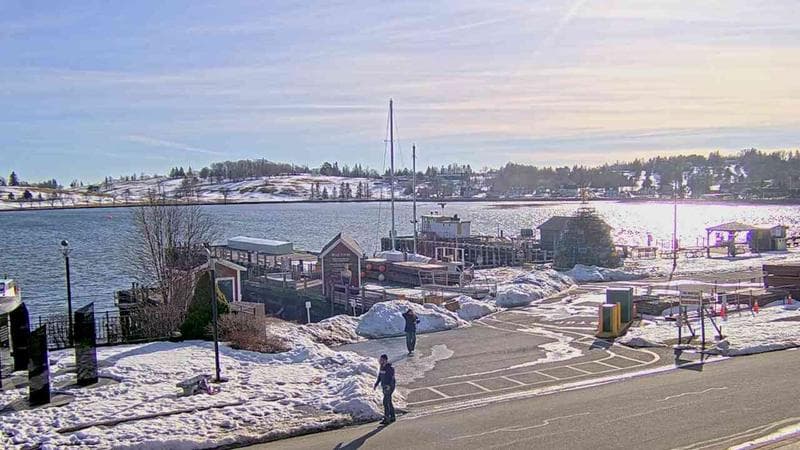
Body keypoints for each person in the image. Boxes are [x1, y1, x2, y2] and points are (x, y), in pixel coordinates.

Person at [373, 354, 396, 424]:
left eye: (382, 360)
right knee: (388, 401)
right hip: (384, 386)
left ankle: (387, 419)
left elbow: (391, 378)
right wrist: (376, 384)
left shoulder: (390, 368)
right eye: (380, 360)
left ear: (385, 360)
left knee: (385, 402)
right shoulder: (381, 367)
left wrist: (388, 386)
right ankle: (392, 417)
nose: (380, 361)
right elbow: (379, 377)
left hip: (389, 387)